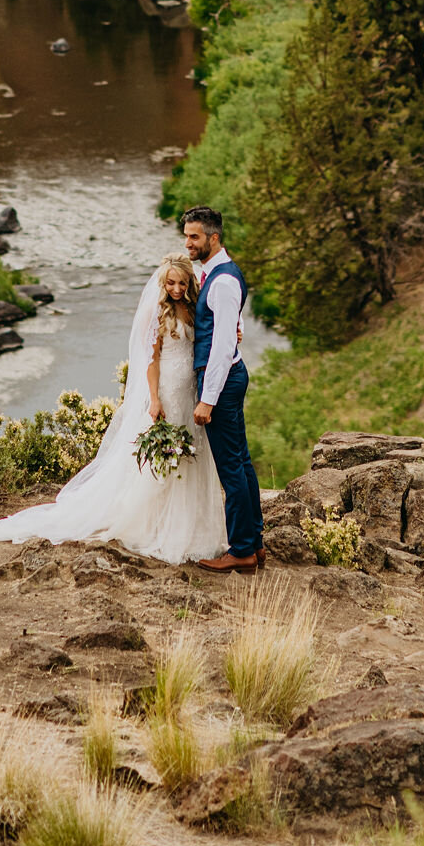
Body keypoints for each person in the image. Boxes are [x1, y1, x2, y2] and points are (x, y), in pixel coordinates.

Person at [0, 255, 227, 564]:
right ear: (163, 283)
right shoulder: (155, 311)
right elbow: (151, 359)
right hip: (167, 390)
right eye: (171, 283)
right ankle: (156, 524)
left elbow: (212, 336)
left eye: (181, 283)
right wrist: (154, 398)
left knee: (191, 456)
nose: (175, 288)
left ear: (189, 284)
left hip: (190, 389)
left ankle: (191, 527)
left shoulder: (193, 308)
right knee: (162, 460)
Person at [180, 205, 265, 575]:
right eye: (186, 236)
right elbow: (231, 324)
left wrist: (207, 399)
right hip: (229, 378)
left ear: (214, 238)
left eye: (194, 237)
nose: (188, 243)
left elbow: (221, 347)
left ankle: (242, 550)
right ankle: (254, 542)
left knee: (231, 468)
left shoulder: (224, 280)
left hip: (223, 382)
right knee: (242, 463)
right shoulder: (216, 274)